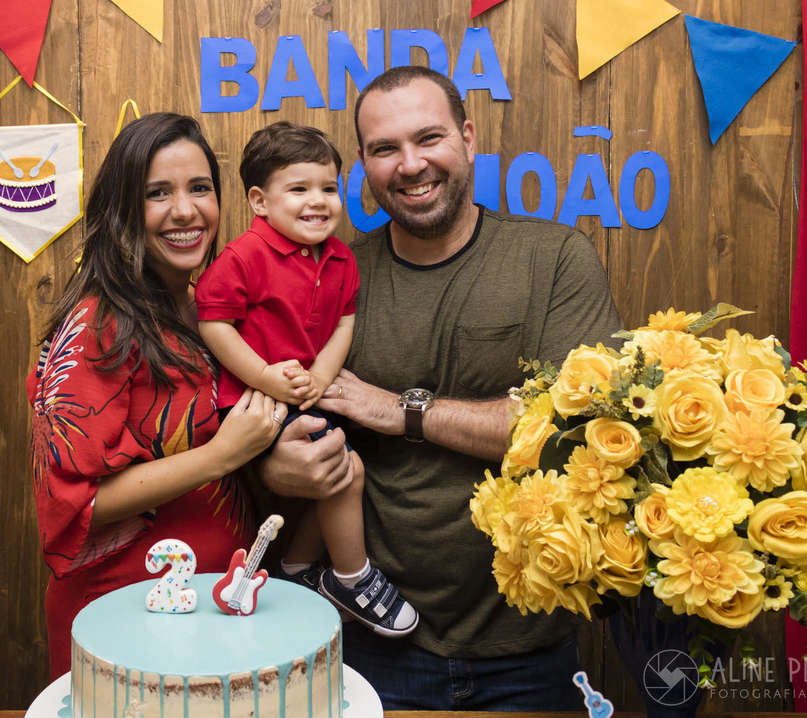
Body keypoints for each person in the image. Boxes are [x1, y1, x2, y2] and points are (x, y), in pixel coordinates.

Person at [258, 66, 623, 711]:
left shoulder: (554, 259)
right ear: (364, 168)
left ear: (469, 138)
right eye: (383, 149)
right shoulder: (334, 279)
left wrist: (401, 410)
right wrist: (280, 466)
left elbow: (585, 430)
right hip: (372, 642)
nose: (410, 164)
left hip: (529, 646)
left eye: (428, 138)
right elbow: (280, 415)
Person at [28, 113, 286, 679]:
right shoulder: (98, 324)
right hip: (128, 622)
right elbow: (72, 504)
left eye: (200, 188)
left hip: (221, 610)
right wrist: (224, 454)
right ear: (122, 209)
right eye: (157, 194)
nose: (186, 210)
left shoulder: (208, 311)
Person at [195, 121, 417, 637]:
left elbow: (344, 320)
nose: (318, 201)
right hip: (257, 402)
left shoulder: (340, 258)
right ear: (259, 201)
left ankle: (295, 569)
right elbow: (214, 323)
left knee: (344, 467)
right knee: (346, 471)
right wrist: (266, 377)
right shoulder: (243, 255)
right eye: (299, 189)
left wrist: (322, 372)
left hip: (309, 390)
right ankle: (351, 576)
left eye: (328, 188)